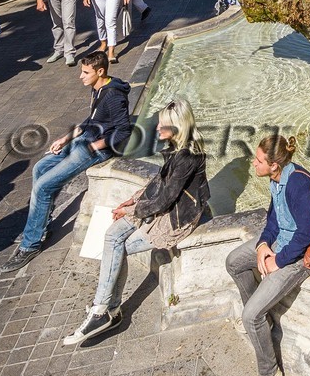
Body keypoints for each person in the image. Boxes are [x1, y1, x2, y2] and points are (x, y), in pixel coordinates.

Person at [65, 99, 208, 346]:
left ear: (178, 128)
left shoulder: (188, 156)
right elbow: (159, 182)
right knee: (112, 236)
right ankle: (109, 308)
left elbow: (165, 198)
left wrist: (136, 209)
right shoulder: (177, 147)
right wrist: (132, 204)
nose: (157, 129)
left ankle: (104, 310)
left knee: (116, 247)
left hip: (175, 218)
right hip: (160, 208)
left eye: (162, 126)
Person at [2, 53, 133, 272]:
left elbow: (123, 131)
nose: (80, 76)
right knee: (40, 168)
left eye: (85, 72)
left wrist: (94, 147)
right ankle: (40, 226)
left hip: (95, 150)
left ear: (100, 72)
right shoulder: (98, 87)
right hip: (83, 141)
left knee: (44, 186)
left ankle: (31, 244)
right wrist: (65, 139)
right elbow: (92, 120)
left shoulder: (113, 96)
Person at [226, 134, 310, 376]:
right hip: (279, 245)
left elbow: (305, 235)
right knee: (234, 261)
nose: (253, 164)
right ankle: (262, 324)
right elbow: (273, 219)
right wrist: (262, 246)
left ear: (274, 165)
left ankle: (269, 375)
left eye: (258, 161)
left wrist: (277, 261)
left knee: (250, 314)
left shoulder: (297, 184)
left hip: (298, 257)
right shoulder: (275, 181)